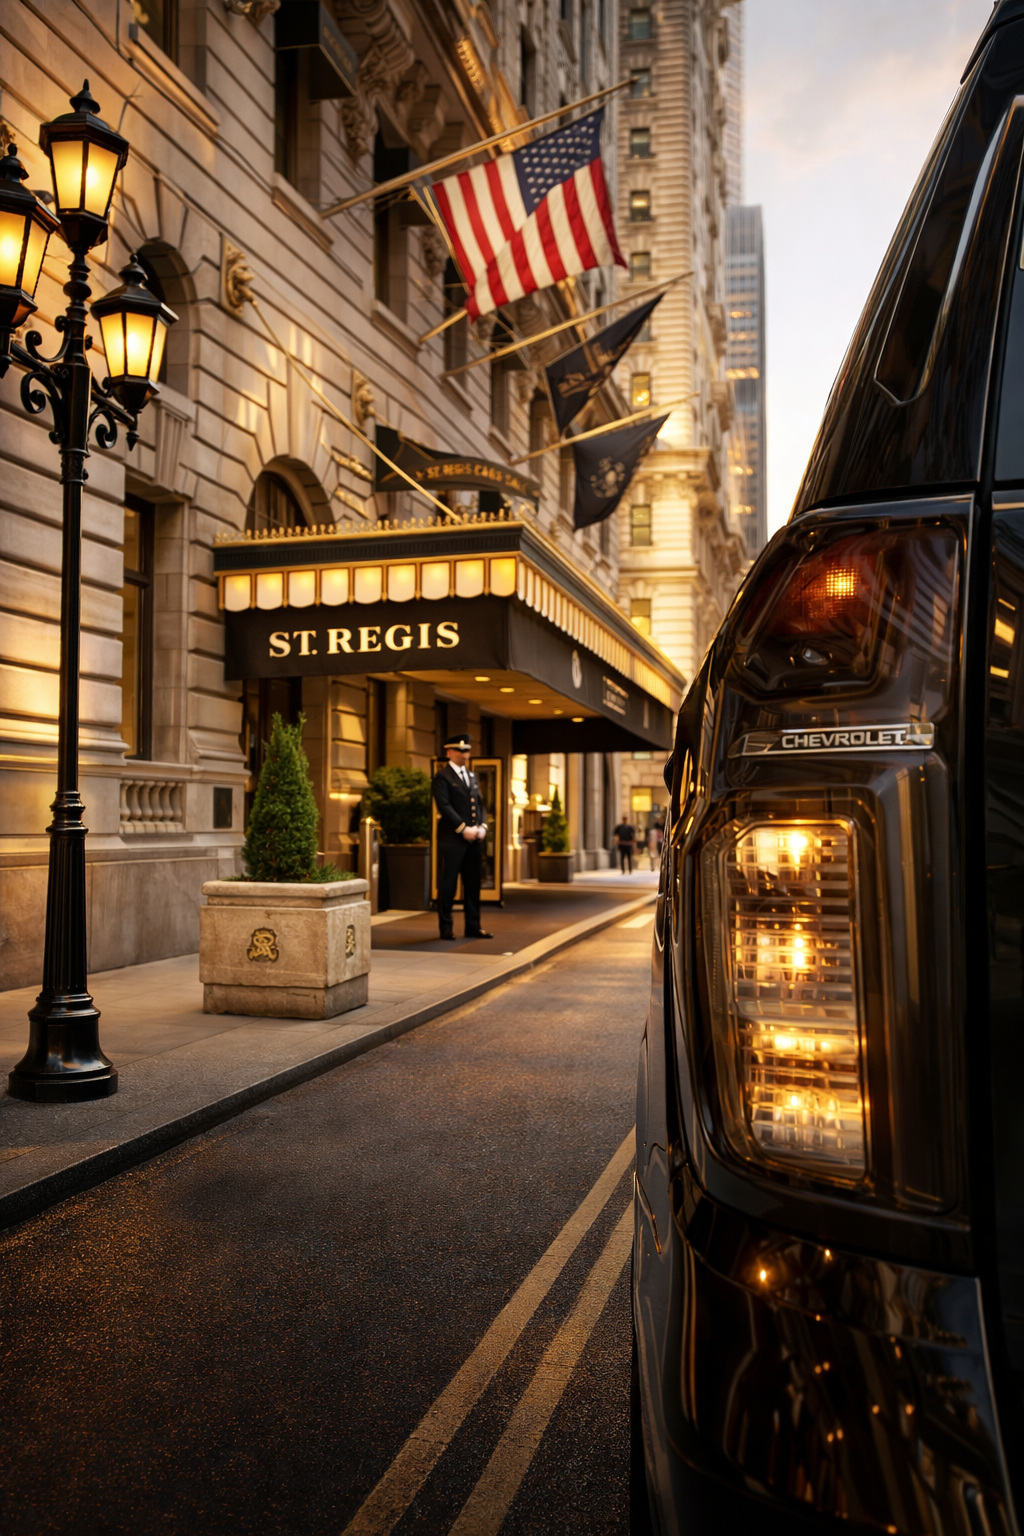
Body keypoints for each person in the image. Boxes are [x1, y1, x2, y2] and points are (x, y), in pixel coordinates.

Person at [432, 734, 493, 941]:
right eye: (460, 751)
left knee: (473, 884)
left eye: (467, 750)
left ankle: (473, 926)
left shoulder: (473, 777)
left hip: (474, 838)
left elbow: (481, 805)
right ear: (449, 752)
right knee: (448, 883)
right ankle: (446, 927)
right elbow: (444, 807)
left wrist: (483, 826)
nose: (465, 754)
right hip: (453, 838)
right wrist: (463, 828)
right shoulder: (442, 777)